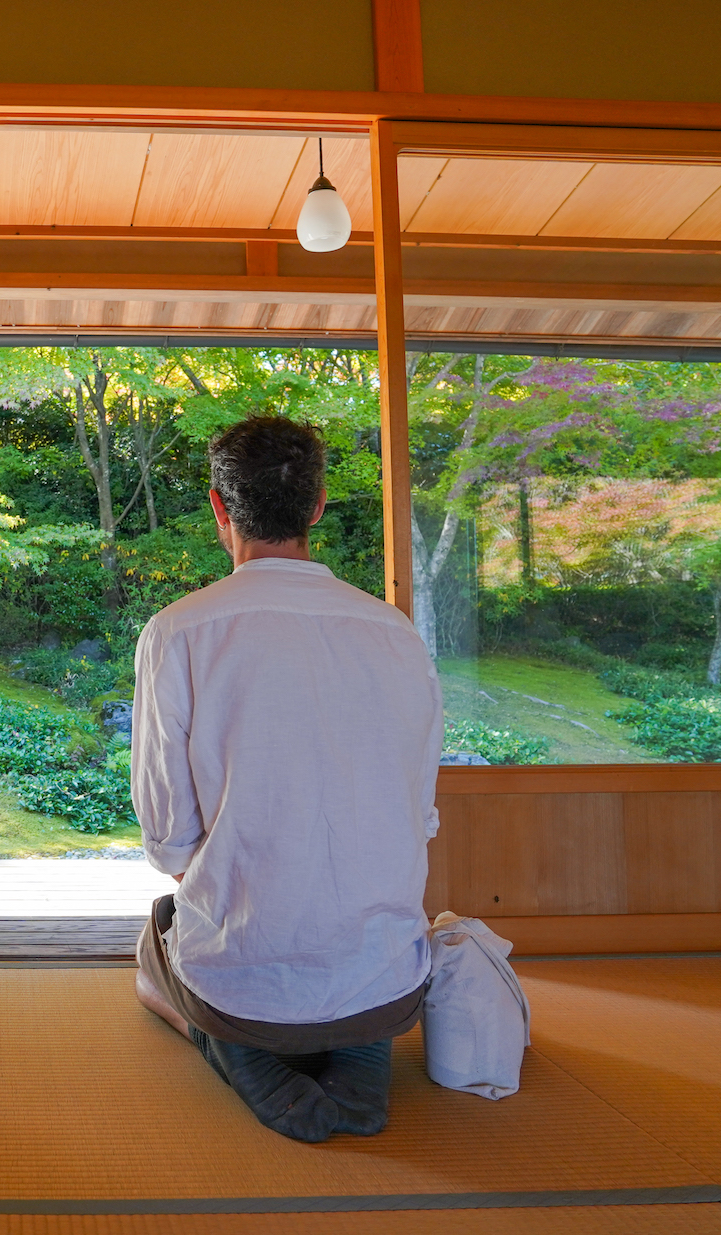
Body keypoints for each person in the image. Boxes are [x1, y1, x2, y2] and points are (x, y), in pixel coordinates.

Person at [130, 414, 442, 1143]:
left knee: (155, 938)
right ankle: (357, 1040)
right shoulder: (394, 632)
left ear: (219, 508)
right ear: (318, 505)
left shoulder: (178, 630)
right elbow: (416, 809)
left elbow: (168, 837)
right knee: (361, 943)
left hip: (243, 979)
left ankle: (239, 1046)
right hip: (383, 973)